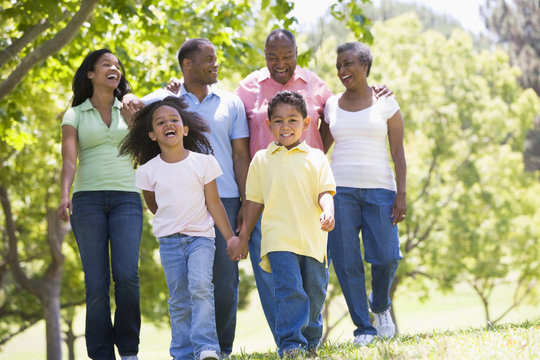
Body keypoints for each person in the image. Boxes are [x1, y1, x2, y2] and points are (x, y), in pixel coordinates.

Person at [232, 29, 393, 343]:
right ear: (264, 56)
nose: (280, 63)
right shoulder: (247, 89)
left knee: (314, 280)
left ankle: (310, 336)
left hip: (310, 195)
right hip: (267, 194)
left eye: (286, 56)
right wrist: (245, 203)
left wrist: (318, 150)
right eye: (272, 57)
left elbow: (340, 117)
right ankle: (289, 342)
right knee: (277, 279)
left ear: (296, 52)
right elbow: (240, 148)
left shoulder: (317, 86)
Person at [123, 38, 250, 357]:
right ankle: (192, 348)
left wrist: (246, 200)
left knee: (222, 281)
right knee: (186, 289)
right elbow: (135, 110)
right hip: (182, 208)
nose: (215, 64)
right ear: (187, 65)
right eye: (208, 59)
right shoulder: (165, 99)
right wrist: (128, 97)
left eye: (216, 59)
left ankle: (219, 347)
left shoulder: (230, 101)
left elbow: (239, 155)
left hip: (226, 196)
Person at [227, 91, 336, 358]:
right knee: (289, 290)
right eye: (278, 121)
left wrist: (328, 211)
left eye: (292, 120)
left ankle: (311, 340)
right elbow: (253, 203)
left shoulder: (317, 158)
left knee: (314, 291)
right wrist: (242, 237)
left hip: (312, 238)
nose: (285, 126)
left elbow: (325, 191)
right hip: (277, 239)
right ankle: (290, 344)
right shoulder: (262, 160)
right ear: (268, 124)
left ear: (307, 123)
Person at [57, 49, 142, 360]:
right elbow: (69, 161)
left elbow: (148, 146)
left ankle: (129, 351)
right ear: (90, 74)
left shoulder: (130, 107)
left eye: (117, 65)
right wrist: (64, 194)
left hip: (126, 198)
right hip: (87, 200)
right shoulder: (75, 114)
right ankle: (101, 354)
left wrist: (136, 116)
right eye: (106, 64)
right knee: (96, 283)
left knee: (128, 277)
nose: (114, 68)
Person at [323, 42, 407, 346]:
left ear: (365, 65)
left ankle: (380, 303)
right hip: (340, 190)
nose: (343, 71)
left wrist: (402, 194)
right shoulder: (331, 105)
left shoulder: (386, 102)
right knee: (346, 262)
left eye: (349, 64)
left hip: (381, 189)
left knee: (386, 256)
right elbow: (320, 149)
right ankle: (364, 328)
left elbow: (397, 151)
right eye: (339, 66)